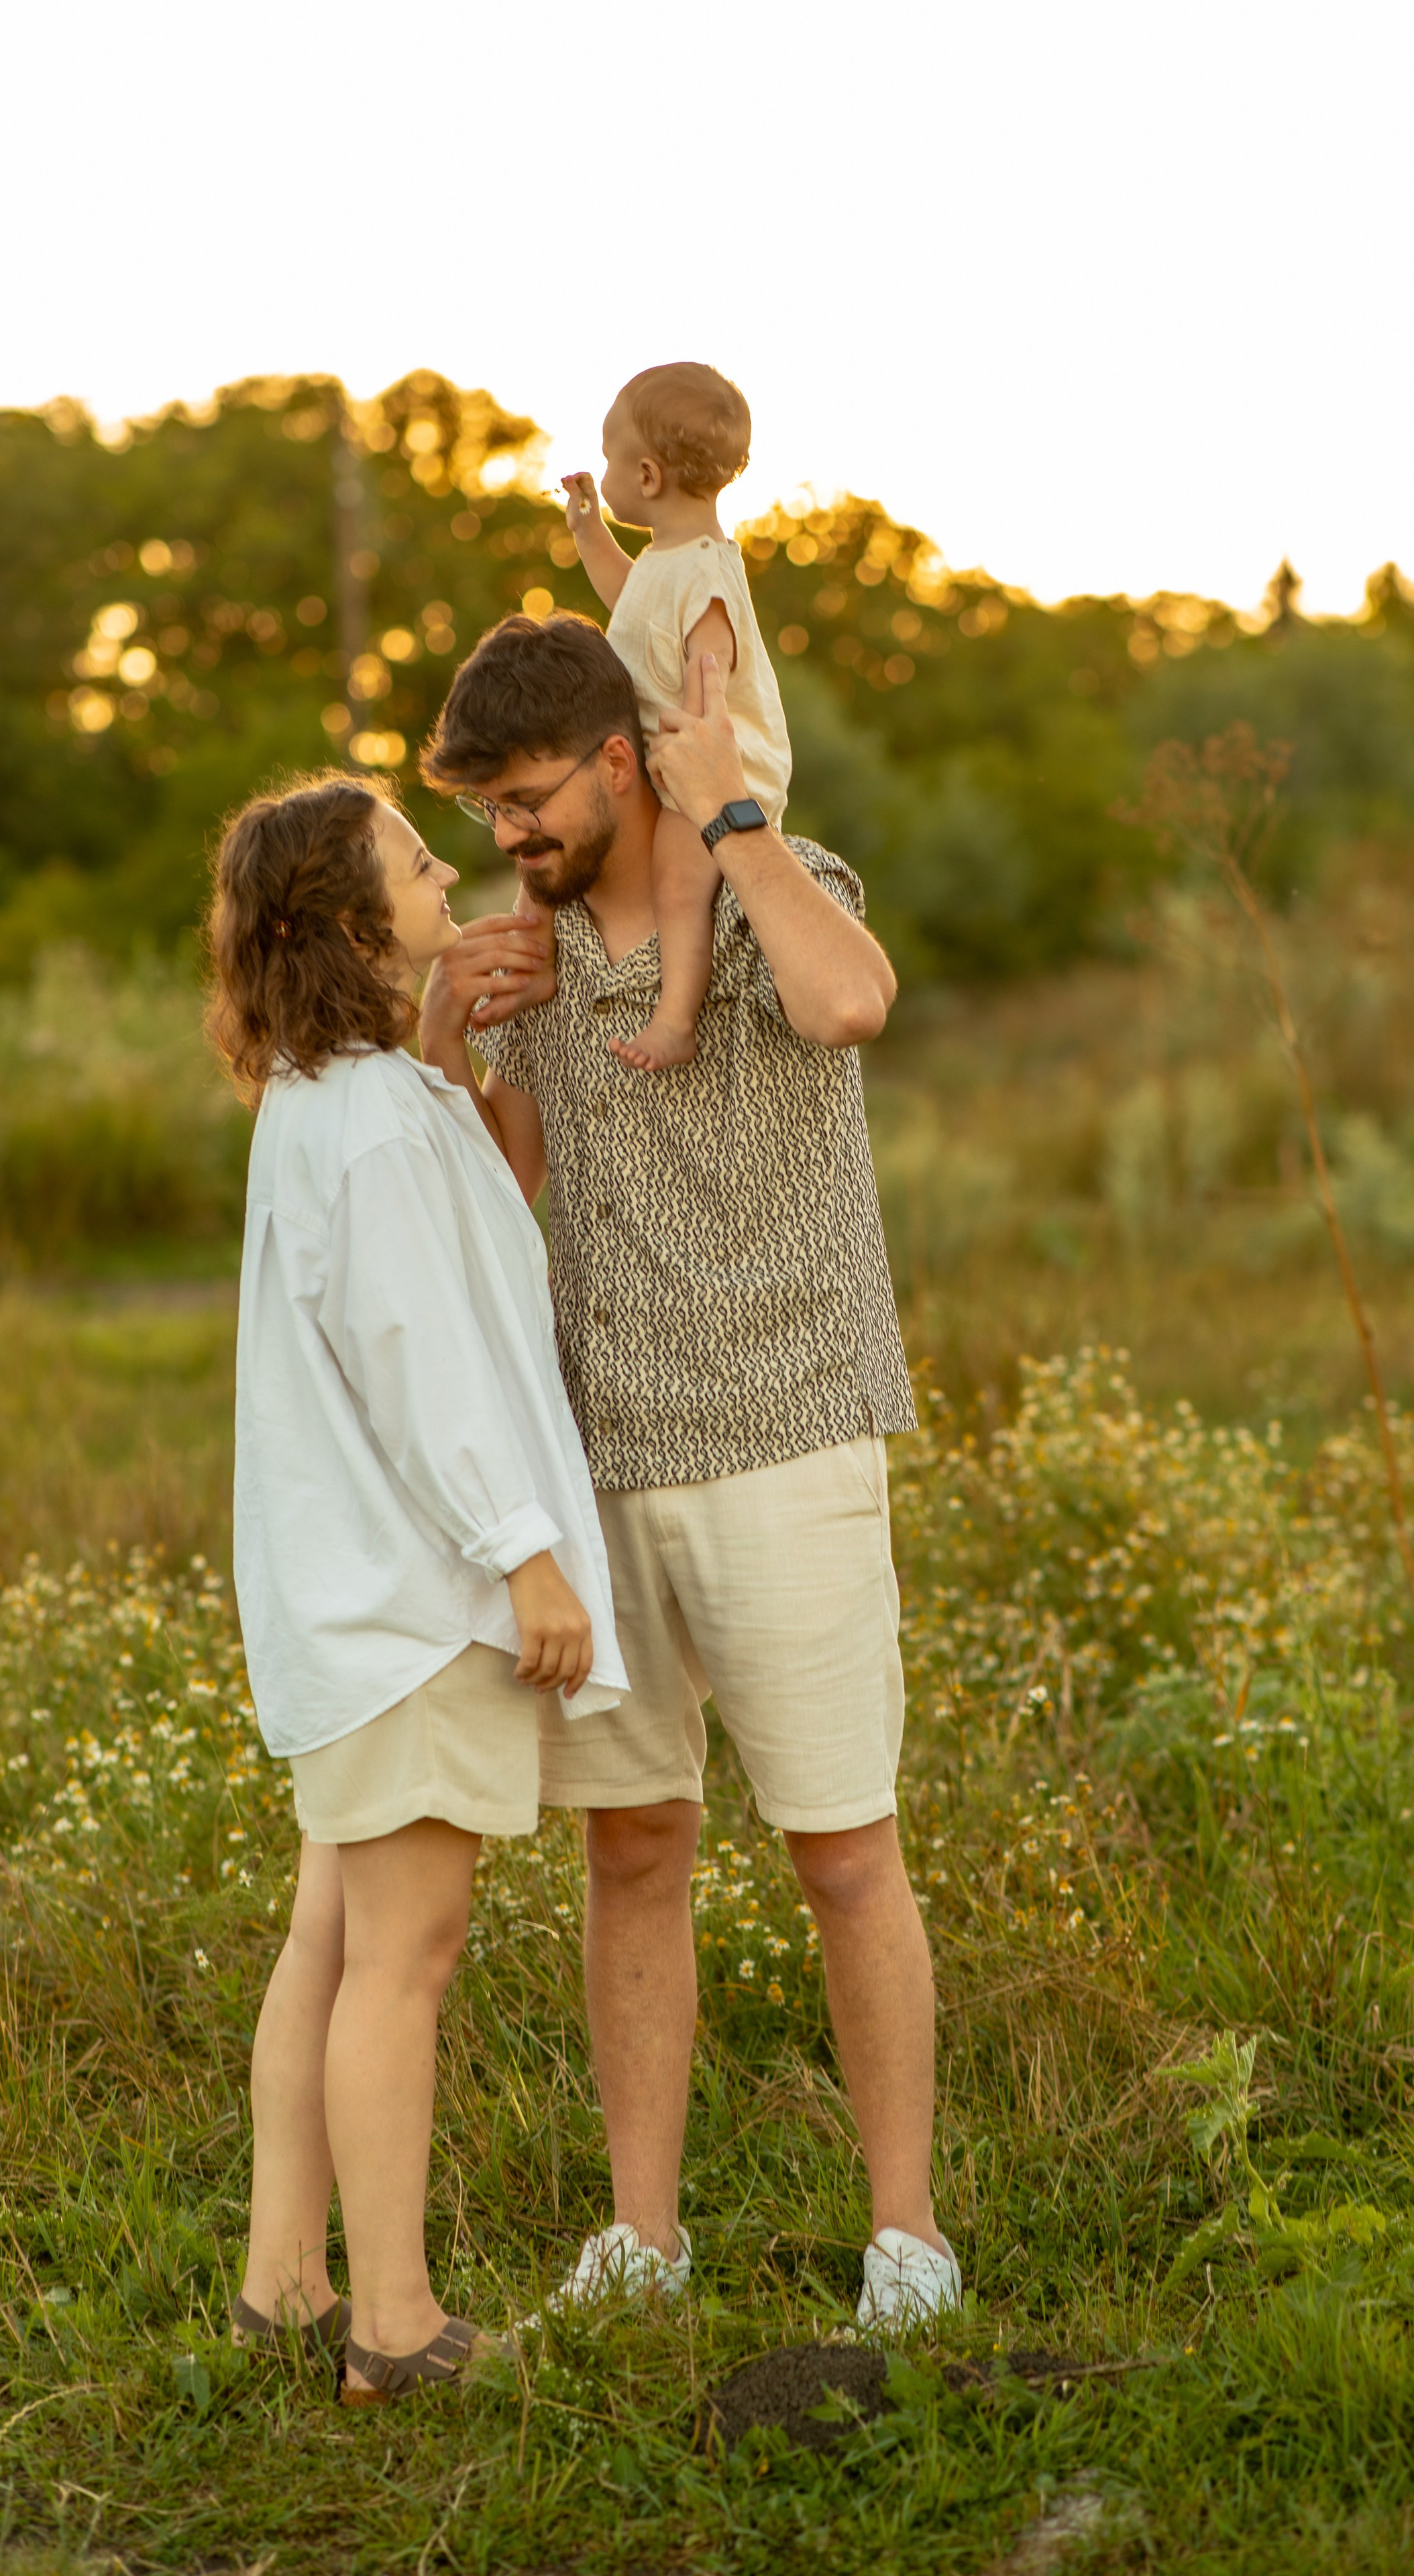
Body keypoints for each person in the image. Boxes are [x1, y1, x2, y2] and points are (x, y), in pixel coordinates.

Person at [420, 612, 961, 2327]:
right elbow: (488, 1190)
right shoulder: (538, 954)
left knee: (840, 1851)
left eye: (522, 797)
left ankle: (907, 2238)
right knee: (634, 1850)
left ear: (616, 756)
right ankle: (641, 2239)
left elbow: (853, 1001)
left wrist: (729, 814)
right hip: (603, 1457)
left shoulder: (771, 876)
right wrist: (449, 1028)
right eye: (484, 809)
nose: (505, 835)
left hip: (788, 1429)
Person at [205, 770, 627, 2401]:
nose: (444, 866)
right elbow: (421, 1356)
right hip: (406, 1597)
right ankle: (391, 2321)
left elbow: (453, 1233)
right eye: (408, 858)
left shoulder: (340, 1092)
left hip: (348, 1593)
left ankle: (283, 2276)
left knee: (331, 1934)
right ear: (338, 919)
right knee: (406, 1949)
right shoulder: (369, 1121)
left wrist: (449, 1030)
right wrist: (525, 1549)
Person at [551, 360, 792, 1073]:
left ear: (649, 476)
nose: (605, 471)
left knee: (680, 879)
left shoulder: (708, 574)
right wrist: (590, 532)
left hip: (716, 770)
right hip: (680, 760)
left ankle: (676, 1019)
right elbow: (630, 602)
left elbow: (707, 672)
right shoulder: (667, 559)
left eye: (610, 459)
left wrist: (694, 774)